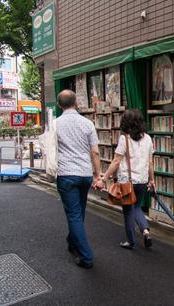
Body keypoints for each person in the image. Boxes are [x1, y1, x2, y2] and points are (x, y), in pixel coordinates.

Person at [56, 89, 104, 269]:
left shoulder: (56, 124)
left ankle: (86, 257)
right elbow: (95, 152)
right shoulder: (87, 123)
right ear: (76, 103)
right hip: (84, 174)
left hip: (66, 173)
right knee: (79, 213)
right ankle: (72, 241)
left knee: (74, 214)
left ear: (60, 105)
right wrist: (98, 175)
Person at [101, 109, 154, 249]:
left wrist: (104, 177)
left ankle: (130, 241)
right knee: (137, 207)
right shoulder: (148, 138)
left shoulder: (124, 138)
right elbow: (150, 162)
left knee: (128, 211)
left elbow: (116, 161)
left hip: (127, 181)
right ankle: (145, 231)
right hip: (142, 180)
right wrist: (152, 180)